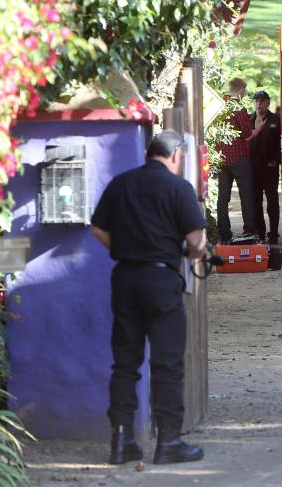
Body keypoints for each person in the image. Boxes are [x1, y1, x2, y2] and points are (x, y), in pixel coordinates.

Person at [90, 130, 206, 465]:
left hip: (125, 277)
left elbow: (97, 228)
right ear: (175, 156)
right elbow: (196, 242)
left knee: (125, 363)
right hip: (160, 278)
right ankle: (169, 442)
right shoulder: (178, 188)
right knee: (167, 363)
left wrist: (126, 249)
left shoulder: (121, 184)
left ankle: (122, 441)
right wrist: (192, 255)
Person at [216, 77, 255, 243]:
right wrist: (257, 128)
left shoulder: (218, 105)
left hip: (221, 158)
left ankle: (224, 233)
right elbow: (246, 134)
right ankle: (249, 231)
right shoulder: (239, 108)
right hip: (238, 158)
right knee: (246, 194)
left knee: (222, 197)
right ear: (241, 90)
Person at [250, 90, 281, 244]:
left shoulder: (276, 119)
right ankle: (260, 234)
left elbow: (280, 143)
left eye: (262, 101)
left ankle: (273, 234)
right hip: (253, 168)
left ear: (268, 103)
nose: (258, 104)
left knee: (272, 202)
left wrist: (276, 160)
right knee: (256, 203)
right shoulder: (249, 120)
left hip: (270, 167)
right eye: (256, 101)